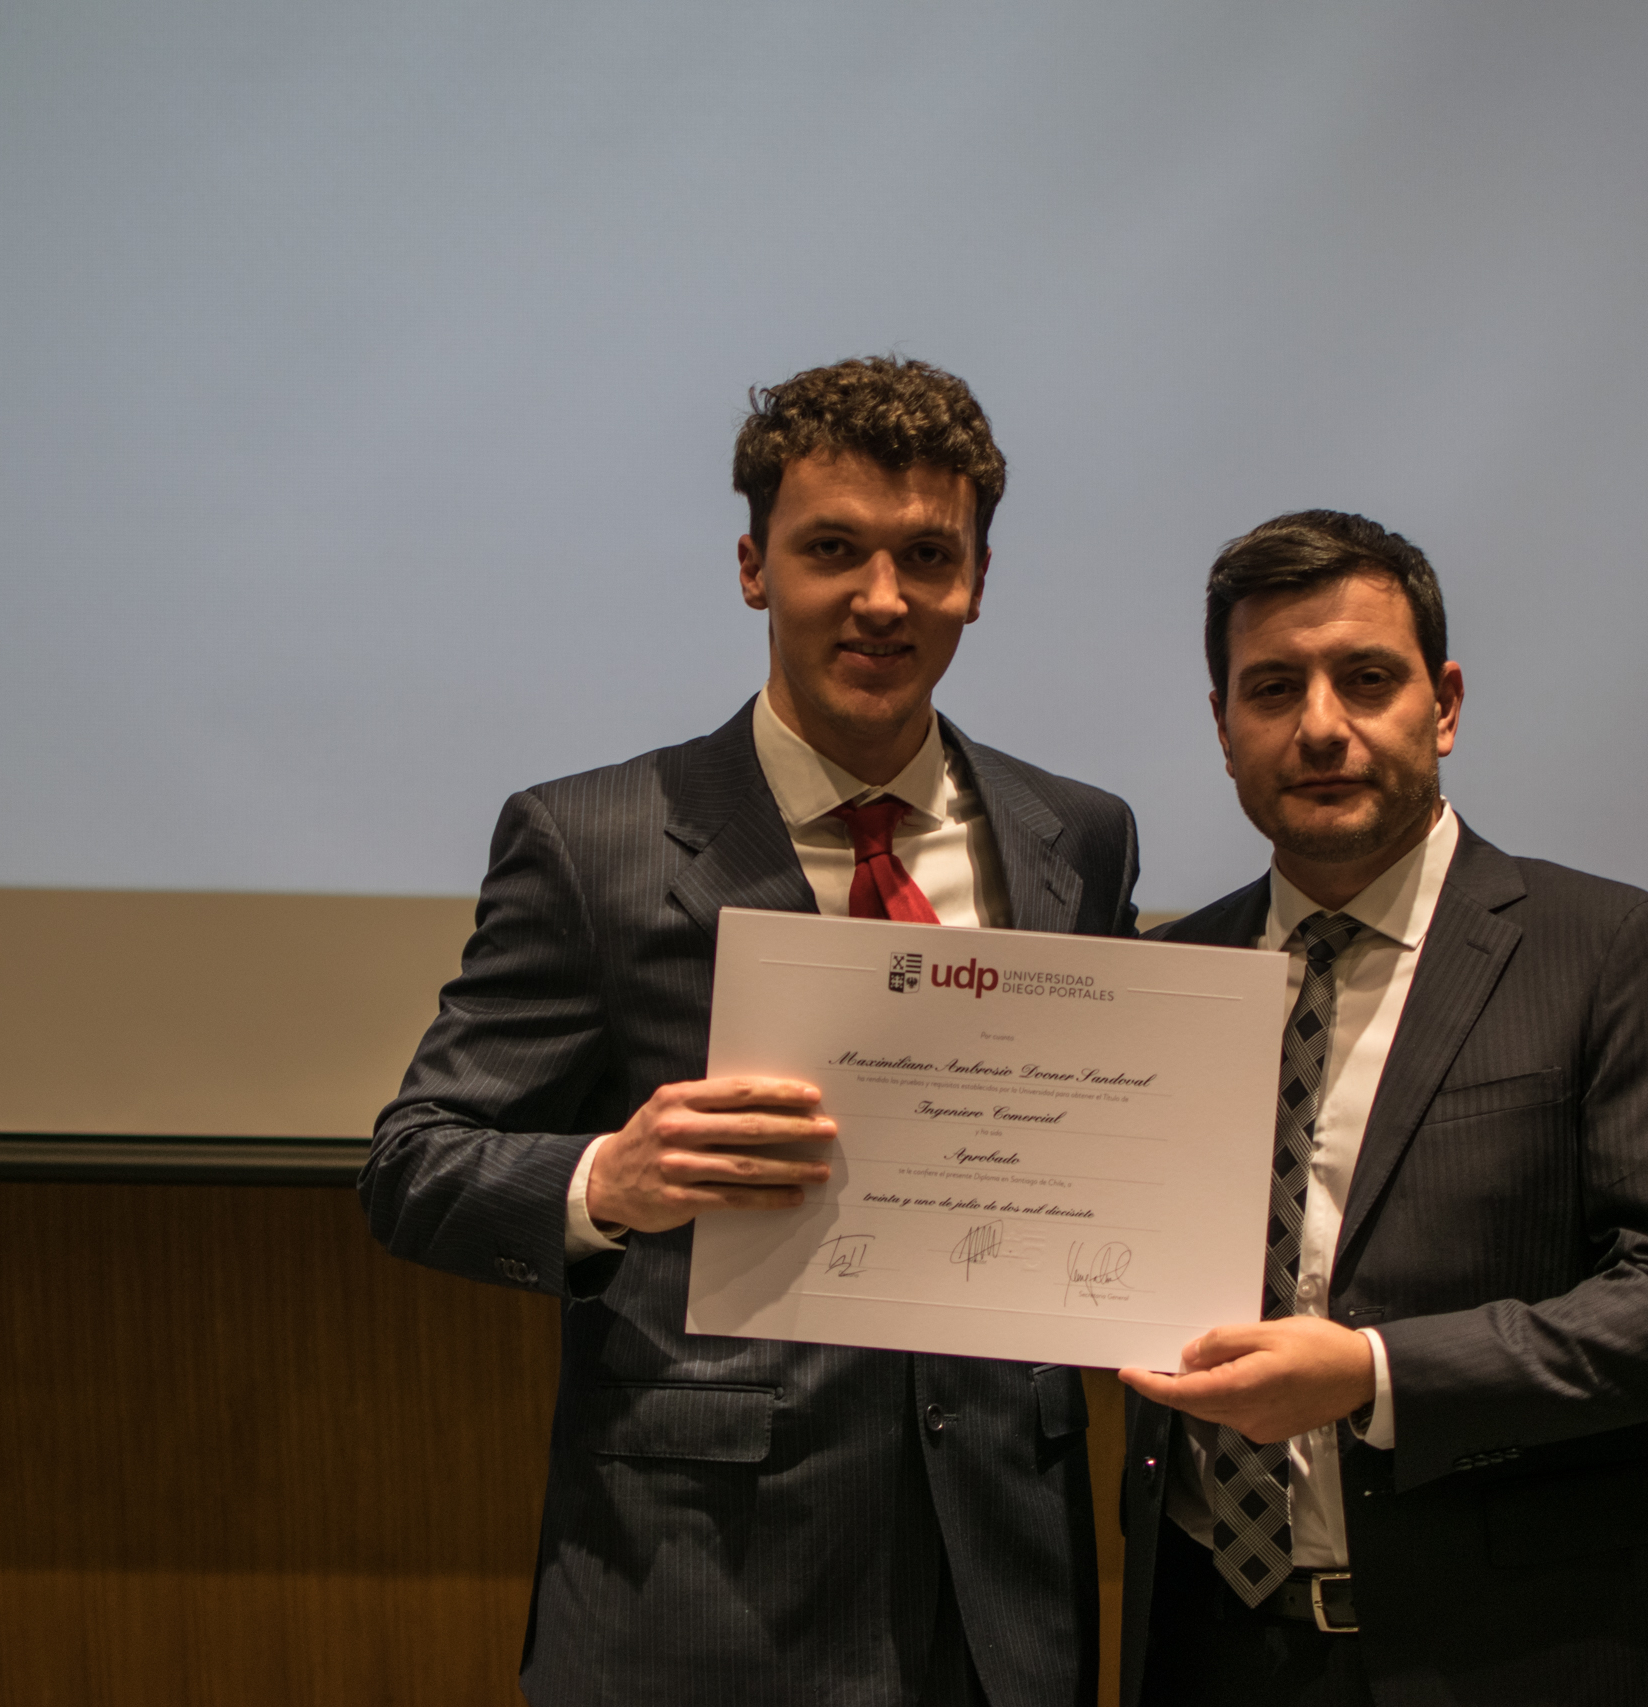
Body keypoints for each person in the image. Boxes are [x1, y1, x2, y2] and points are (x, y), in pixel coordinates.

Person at [362, 357, 1138, 1707]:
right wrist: (607, 1180)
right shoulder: (593, 839)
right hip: (702, 1590)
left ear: (977, 580)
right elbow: (414, 1163)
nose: (882, 598)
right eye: (832, 549)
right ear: (751, 568)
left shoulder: (1076, 835)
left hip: (1000, 1590)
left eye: (927, 555)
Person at [1114, 511, 1648, 1706]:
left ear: (1444, 704)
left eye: (1366, 679)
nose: (1320, 726)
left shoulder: (1604, 949)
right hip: (1215, 1650)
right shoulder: (1168, 976)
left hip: (1514, 1656)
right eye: (1272, 688)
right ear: (1222, 727)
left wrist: (1374, 1372)